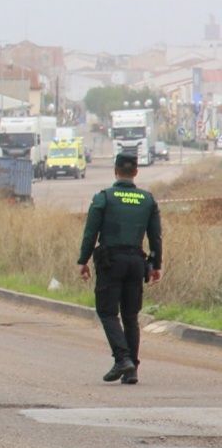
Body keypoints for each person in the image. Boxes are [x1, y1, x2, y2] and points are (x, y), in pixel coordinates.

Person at [77, 153, 163, 384]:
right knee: (130, 315)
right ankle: (132, 368)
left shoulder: (104, 197)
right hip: (137, 262)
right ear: (136, 172)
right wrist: (156, 265)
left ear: (115, 171)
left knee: (107, 312)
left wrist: (82, 260)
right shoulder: (147, 200)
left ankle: (122, 358)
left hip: (110, 262)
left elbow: (90, 233)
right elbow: (155, 236)